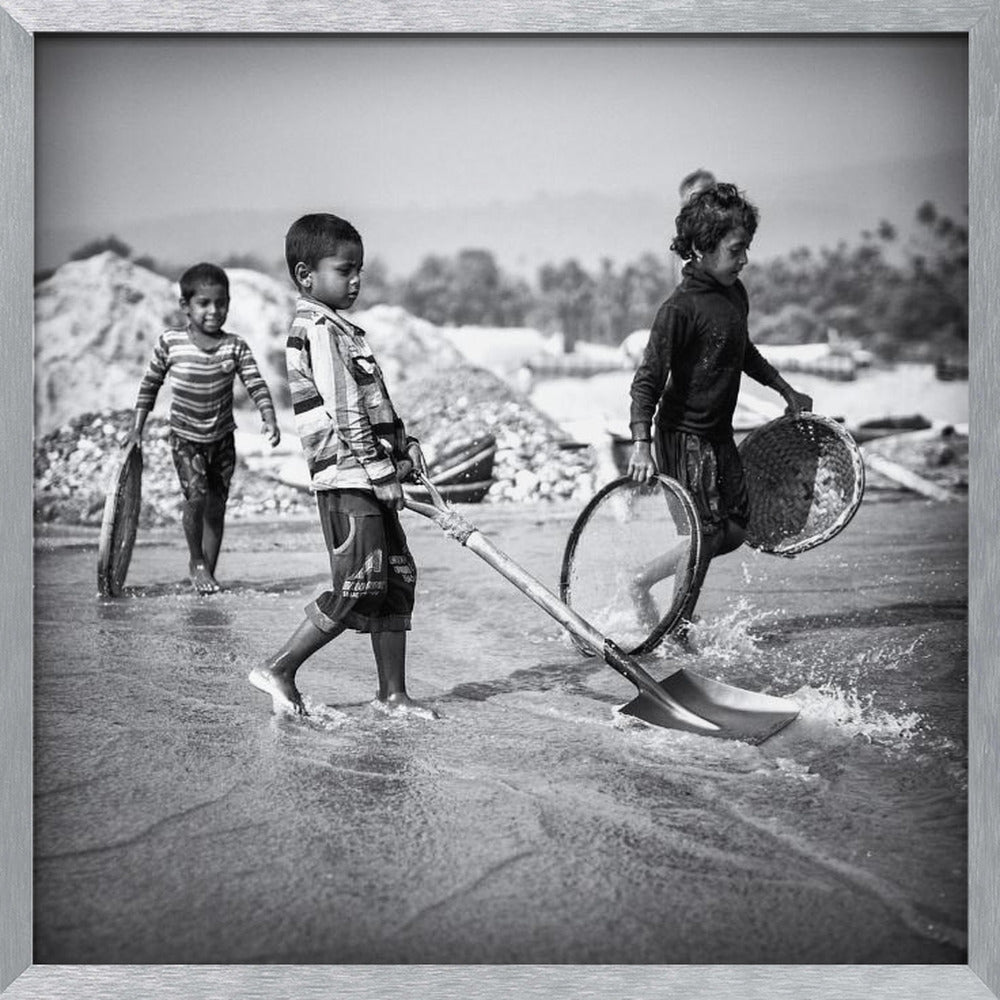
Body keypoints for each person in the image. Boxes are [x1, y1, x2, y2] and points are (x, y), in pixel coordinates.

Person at [248, 212, 434, 719]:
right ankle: (280, 668)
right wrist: (380, 474)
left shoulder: (344, 330)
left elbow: (375, 403)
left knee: (397, 579)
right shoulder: (317, 330)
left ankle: (392, 694)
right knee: (358, 586)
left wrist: (403, 447)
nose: (355, 281)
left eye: (359, 270)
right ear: (306, 275)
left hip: (372, 476)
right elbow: (347, 413)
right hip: (348, 483)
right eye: (344, 270)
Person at [627, 181, 813, 642]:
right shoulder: (679, 309)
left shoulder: (735, 295)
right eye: (736, 249)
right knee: (704, 536)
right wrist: (641, 444)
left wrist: (785, 390)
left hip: (718, 436)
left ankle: (642, 580)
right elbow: (647, 380)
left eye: (746, 248)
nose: (744, 259)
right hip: (682, 436)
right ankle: (677, 631)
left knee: (733, 530)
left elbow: (742, 351)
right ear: (702, 249)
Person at [128, 262, 280, 594]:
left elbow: (255, 382)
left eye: (221, 303)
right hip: (186, 439)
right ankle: (196, 561)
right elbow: (150, 384)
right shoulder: (171, 342)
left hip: (223, 439)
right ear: (186, 306)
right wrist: (136, 427)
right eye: (204, 303)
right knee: (195, 499)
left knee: (217, 505)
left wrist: (268, 415)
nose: (214, 311)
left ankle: (207, 573)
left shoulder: (234, 346)